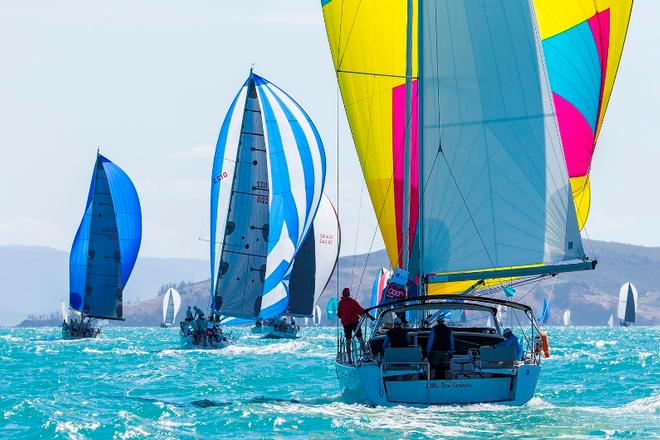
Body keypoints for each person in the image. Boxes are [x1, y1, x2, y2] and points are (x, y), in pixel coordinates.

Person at [338, 287, 374, 363]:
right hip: (354, 323)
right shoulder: (352, 302)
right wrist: (370, 316)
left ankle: (349, 359)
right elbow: (361, 310)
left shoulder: (340, 303)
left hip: (346, 325)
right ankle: (365, 355)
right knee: (360, 339)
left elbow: (339, 315)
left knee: (348, 341)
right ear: (349, 294)